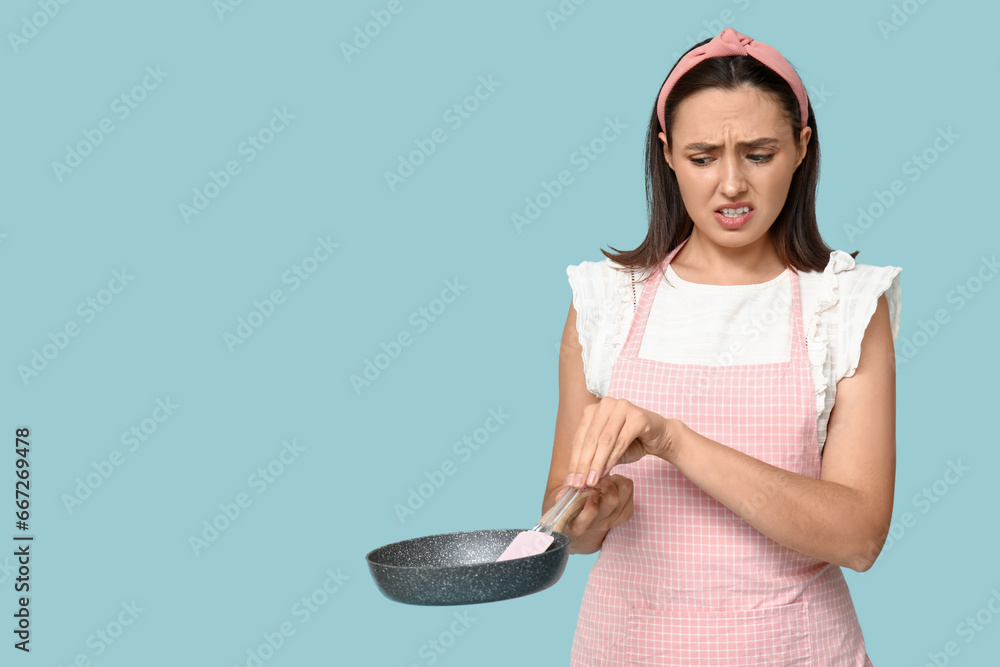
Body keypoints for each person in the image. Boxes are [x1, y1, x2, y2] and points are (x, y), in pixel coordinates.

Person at [543, 28, 901, 665]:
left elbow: (858, 536)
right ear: (668, 155)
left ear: (801, 148)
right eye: (703, 156)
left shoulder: (844, 305)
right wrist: (592, 514)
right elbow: (561, 524)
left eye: (759, 154)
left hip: (794, 650)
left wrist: (671, 441)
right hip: (627, 647)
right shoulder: (605, 301)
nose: (731, 184)